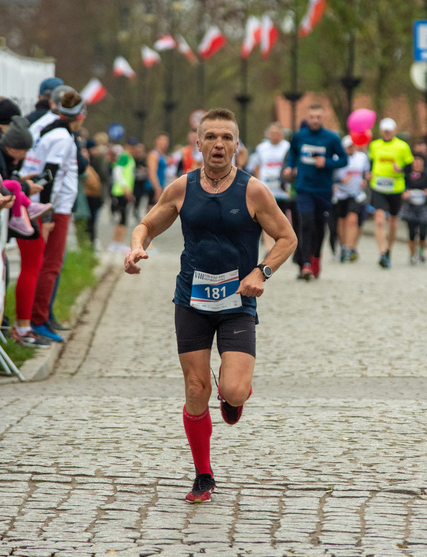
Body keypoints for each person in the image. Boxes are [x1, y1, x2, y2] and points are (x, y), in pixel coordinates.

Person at [123, 108, 297, 503]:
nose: (219, 144)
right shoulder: (182, 188)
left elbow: (287, 238)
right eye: (211, 137)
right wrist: (136, 249)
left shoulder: (253, 190)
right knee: (196, 387)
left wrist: (261, 272)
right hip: (192, 300)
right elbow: (146, 225)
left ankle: (233, 397)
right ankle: (203, 474)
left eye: (227, 138)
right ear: (198, 144)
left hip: (238, 301)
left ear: (238, 146)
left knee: (233, 390)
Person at [18, 89, 85, 343]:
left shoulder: (58, 131)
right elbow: (50, 175)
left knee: (46, 265)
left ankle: (39, 318)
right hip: (53, 208)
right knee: (50, 265)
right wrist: (46, 215)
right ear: (80, 115)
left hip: (53, 206)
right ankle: (38, 319)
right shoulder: (61, 137)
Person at [284, 103, 347, 280]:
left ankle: (315, 258)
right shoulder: (299, 136)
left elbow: (343, 160)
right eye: (312, 117)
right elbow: (293, 154)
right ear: (307, 117)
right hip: (304, 187)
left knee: (319, 227)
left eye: (318, 117)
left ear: (323, 118)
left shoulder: (331, 138)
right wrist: (290, 167)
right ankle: (304, 264)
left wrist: (326, 162)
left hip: (324, 189)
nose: (315, 120)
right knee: (306, 223)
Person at [368, 118, 413, 269]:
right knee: (379, 220)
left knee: (393, 221)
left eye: (389, 130)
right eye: (385, 130)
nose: (387, 133)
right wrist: (368, 174)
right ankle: (381, 252)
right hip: (378, 186)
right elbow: (370, 163)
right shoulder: (374, 145)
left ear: (394, 131)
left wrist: (400, 169)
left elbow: (410, 167)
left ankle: (389, 250)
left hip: (396, 188)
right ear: (381, 131)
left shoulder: (402, 146)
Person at [248, 122, 292, 252]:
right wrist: (258, 182)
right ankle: (268, 248)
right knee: (266, 220)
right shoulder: (262, 148)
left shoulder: (287, 147)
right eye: (272, 133)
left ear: (282, 134)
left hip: (283, 190)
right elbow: (256, 165)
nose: (275, 136)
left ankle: (281, 245)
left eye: (277, 133)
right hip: (266, 188)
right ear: (268, 134)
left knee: (281, 220)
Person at [333, 135, 369, 262]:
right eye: (348, 146)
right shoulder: (338, 158)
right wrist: (340, 180)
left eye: (352, 145)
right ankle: (343, 246)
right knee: (342, 221)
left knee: (353, 220)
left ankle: (349, 247)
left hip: (356, 194)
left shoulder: (362, 157)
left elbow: (366, 173)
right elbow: (331, 175)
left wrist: (365, 180)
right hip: (341, 193)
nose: (351, 148)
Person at [400, 153, 427, 265]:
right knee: (411, 232)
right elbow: (401, 189)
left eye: (419, 162)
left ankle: (421, 251)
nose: (416, 164)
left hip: (423, 207)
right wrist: (404, 194)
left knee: (423, 231)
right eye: (414, 162)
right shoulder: (406, 176)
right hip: (410, 206)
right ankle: (412, 254)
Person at [109, 139, 135, 252]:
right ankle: (118, 242)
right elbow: (117, 171)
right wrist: (125, 186)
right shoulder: (125, 156)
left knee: (122, 217)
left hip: (122, 191)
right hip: (121, 191)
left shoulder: (127, 157)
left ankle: (117, 242)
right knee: (122, 218)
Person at [146, 132, 170, 205]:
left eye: (166, 141)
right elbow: (152, 172)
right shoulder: (154, 154)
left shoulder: (163, 155)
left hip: (162, 185)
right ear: (157, 141)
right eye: (162, 141)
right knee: (153, 211)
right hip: (154, 187)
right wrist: (157, 188)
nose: (164, 143)